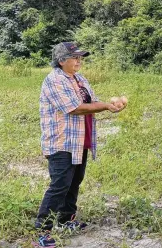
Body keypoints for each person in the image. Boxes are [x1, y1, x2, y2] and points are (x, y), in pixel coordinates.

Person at [35, 42, 123, 247]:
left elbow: (92, 101)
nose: (79, 61)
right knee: (60, 185)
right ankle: (42, 229)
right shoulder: (54, 80)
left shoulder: (79, 79)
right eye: (75, 57)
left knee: (75, 180)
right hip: (62, 141)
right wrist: (105, 106)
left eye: (80, 57)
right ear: (61, 60)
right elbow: (73, 108)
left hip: (80, 140)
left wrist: (112, 105)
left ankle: (66, 219)